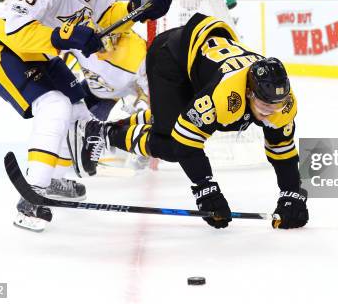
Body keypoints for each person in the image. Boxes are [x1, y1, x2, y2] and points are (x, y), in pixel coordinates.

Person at [0, 0, 171, 232]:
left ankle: (57, 178)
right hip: (5, 51)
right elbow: (16, 31)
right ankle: (31, 197)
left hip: (42, 54)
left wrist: (138, 6)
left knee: (81, 112)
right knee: (54, 107)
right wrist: (61, 36)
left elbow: (106, 13)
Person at [79, 13, 309, 230]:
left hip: (202, 59)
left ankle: (122, 126)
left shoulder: (283, 102)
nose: (271, 112)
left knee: (179, 118)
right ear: (249, 92)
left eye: (276, 105)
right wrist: (207, 191)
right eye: (265, 105)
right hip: (170, 56)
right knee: (169, 144)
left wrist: (291, 193)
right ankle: (102, 132)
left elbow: (282, 149)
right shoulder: (223, 97)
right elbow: (185, 144)